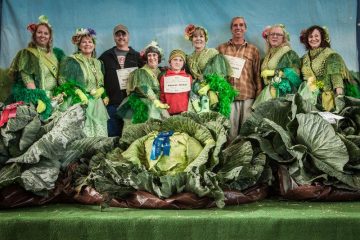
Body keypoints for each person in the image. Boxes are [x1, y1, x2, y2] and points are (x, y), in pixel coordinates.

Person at [8, 15, 65, 120]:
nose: (42, 35)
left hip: (56, 99)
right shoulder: (27, 53)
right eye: (39, 32)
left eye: (46, 33)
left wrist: (61, 94)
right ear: (34, 35)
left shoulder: (56, 55)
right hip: (39, 99)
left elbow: (60, 79)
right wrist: (38, 98)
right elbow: (27, 78)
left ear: (50, 37)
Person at [58, 28, 109, 137]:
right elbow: (63, 81)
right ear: (79, 45)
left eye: (90, 42)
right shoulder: (71, 60)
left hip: (97, 104)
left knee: (99, 135)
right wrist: (79, 93)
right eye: (84, 42)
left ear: (94, 45)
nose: (87, 44)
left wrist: (102, 91)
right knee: (83, 135)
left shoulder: (99, 63)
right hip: (80, 102)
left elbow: (100, 82)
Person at [217, 16, 262, 140]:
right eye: (235, 25)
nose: (238, 27)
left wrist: (258, 99)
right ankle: (230, 158)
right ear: (231, 29)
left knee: (247, 133)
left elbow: (257, 74)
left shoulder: (253, 50)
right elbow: (217, 74)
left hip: (248, 97)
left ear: (245, 29)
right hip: (228, 99)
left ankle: (246, 158)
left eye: (241, 25)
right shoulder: (221, 49)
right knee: (230, 133)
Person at [99, 24, 143, 137]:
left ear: (128, 36)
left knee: (130, 136)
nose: (121, 37)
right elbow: (98, 79)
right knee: (113, 136)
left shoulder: (137, 57)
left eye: (123, 34)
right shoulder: (105, 56)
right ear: (114, 37)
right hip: (112, 104)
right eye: (118, 35)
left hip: (131, 103)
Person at [185, 24, 237, 118]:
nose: (198, 39)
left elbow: (220, 75)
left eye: (201, 36)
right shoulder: (189, 58)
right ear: (191, 39)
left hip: (212, 91)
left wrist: (208, 87)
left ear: (205, 39)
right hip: (195, 92)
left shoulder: (212, 53)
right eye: (195, 36)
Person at [298, 25, 355, 111]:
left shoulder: (331, 55)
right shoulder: (303, 58)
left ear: (322, 37)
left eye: (316, 36)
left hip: (326, 99)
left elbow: (337, 82)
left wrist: (340, 101)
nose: (313, 39)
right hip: (306, 99)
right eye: (310, 36)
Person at [117, 41, 169, 125]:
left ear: (159, 57)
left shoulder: (162, 71)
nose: (152, 58)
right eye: (149, 55)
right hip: (143, 106)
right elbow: (144, 87)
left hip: (159, 104)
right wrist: (155, 101)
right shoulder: (140, 72)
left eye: (154, 55)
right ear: (146, 57)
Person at [252, 24, 301, 108]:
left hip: (282, 95)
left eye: (278, 34)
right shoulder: (267, 55)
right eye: (272, 34)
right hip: (267, 93)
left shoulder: (289, 53)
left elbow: (295, 76)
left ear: (283, 38)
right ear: (268, 37)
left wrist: (274, 72)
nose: (275, 36)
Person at [159, 49, 192, 115]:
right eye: (175, 59)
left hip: (185, 113)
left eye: (180, 60)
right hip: (169, 113)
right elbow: (162, 95)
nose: (177, 62)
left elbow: (191, 96)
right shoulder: (164, 77)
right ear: (170, 62)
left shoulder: (188, 77)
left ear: (183, 63)